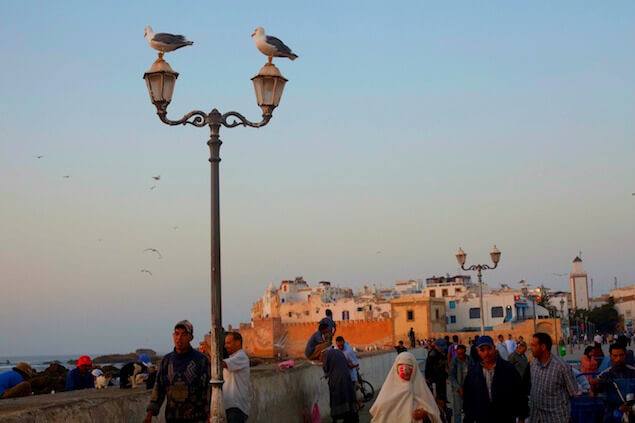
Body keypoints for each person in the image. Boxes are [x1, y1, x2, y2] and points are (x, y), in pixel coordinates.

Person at [145, 320, 210, 423]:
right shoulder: (166, 361)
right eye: (177, 334)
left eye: (184, 334)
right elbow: (158, 389)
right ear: (173, 336)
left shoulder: (201, 360)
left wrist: (209, 416)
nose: (179, 338)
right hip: (172, 419)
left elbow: (208, 390)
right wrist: (149, 415)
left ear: (191, 338)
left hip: (197, 419)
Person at [462, 335, 528, 423]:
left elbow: (520, 393)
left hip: (505, 417)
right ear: (478, 352)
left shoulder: (508, 369)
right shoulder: (473, 373)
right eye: (482, 350)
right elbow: (468, 398)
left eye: (489, 348)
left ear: (494, 348)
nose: (486, 353)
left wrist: (521, 417)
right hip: (483, 418)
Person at [370, 352, 442, 423]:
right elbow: (378, 414)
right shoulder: (385, 395)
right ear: (395, 368)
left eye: (409, 366)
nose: (405, 370)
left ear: (415, 369)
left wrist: (424, 415)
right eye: (401, 365)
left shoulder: (422, 392)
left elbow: (434, 415)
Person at [525, 332, 578, 423]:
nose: (530, 348)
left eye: (533, 345)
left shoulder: (561, 367)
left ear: (543, 347)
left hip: (556, 418)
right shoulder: (533, 363)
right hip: (536, 418)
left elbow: (573, 392)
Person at [591, 343, 635, 421]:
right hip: (612, 410)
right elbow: (595, 391)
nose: (618, 358)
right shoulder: (605, 374)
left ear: (625, 355)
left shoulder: (633, 371)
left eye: (621, 355)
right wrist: (595, 384)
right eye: (615, 356)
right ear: (611, 356)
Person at [322, 348, 359, 423]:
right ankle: (349, 416)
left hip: (336, 379)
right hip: (347, 377)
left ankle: (337, 417)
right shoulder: (339, 352)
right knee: (348, 396)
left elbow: (325, 368)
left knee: (337, 398)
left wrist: (327, 374)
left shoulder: (326, 355)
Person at [223, 332, 250, 423]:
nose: (225, 346)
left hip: (236, 408)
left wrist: (210, 350)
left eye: (228, 343)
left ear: (238, 343)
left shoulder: (241, 356)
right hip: (230, 407)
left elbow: (221, 364)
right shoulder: (233, 358)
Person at [448, 345, 474, 423]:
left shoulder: (469, 359)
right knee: (457, 411)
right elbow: (451, 376)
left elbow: (474, 371)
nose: (460, 356)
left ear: (465, 352)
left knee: (469, 410)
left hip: (468, 389)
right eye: (459, 354)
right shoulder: (454, 361)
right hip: (457, 390)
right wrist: (458, 387)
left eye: (462, 353)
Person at [424, 338, 448, 406]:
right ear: (436, 346)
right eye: (441, 347)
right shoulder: (432, 355)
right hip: (435, 381)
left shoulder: (442, 353)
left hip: (441, 379)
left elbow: (444, 365)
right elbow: (428, 368)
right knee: (437, 399)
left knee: (442, 398)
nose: (442, 349)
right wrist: (428, 379)